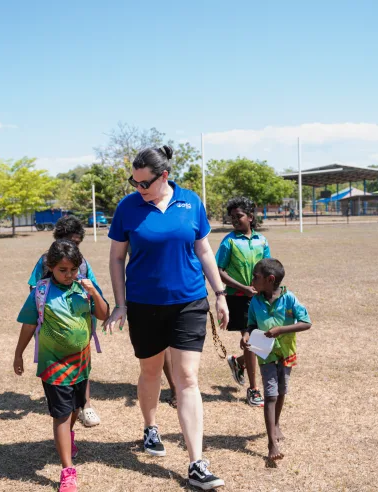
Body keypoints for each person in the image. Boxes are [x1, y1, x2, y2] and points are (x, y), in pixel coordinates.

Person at [104, 145, 229, 490]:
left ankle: (196, 463)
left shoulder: (190, 202)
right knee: (150, 371)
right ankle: (150, 428)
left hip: (189, 301)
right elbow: (116, 258)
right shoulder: (127, 208)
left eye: (144, 182)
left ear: (164, 176)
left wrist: (219, 294)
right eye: (134, 181)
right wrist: (121, 303)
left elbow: (204, 249)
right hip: (144, 305)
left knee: (187, 377)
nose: (138, 188)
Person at [14, 239, 109, 492]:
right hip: (53, 364)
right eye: (62, 270)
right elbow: (29, 324)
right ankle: (67, 471)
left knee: (76, 408)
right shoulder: (41, 291)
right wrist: (18, 354)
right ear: (51, 268)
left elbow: (103, 314)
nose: (68, 275)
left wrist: (94, 293)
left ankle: (68, 436)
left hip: (81, 362)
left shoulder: (83, 288)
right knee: (62, 414)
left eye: (73, 270)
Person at [28, 215, 106, 427]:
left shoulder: (82, 264)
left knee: (82, 364)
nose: (75, 247)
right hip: (53, 326)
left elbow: (95, 291)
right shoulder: (45, 261)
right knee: (56, 364)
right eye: (71, 242)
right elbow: (34, 290)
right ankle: (60, 401)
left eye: (78, 244)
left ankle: (85, 406)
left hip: (80, 323)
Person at [242, 258, 312, 462]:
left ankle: (276, 423)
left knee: (282, 392)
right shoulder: (255, 301)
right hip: (266, 355)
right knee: (270, 395)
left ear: (270, 279)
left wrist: (281, 330)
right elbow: (251, 324)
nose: (252, 280)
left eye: (256, 277)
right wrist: (246, 335)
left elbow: (306, 323)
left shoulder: (289, 299)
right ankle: (271, 443)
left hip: (286, 353)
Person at [215, 197, 270, 407]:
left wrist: (269, 291)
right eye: (232, 217)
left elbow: (268, 268)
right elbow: (218, 271)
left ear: (250, 217)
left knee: (261, 339)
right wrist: (243, 288)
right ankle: (254, 390)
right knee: (252, 342)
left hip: (259, 298)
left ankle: (238, 362)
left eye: (239, 216)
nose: (235, 221)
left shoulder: (262, 241)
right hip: (238, 298)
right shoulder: (229, 241)